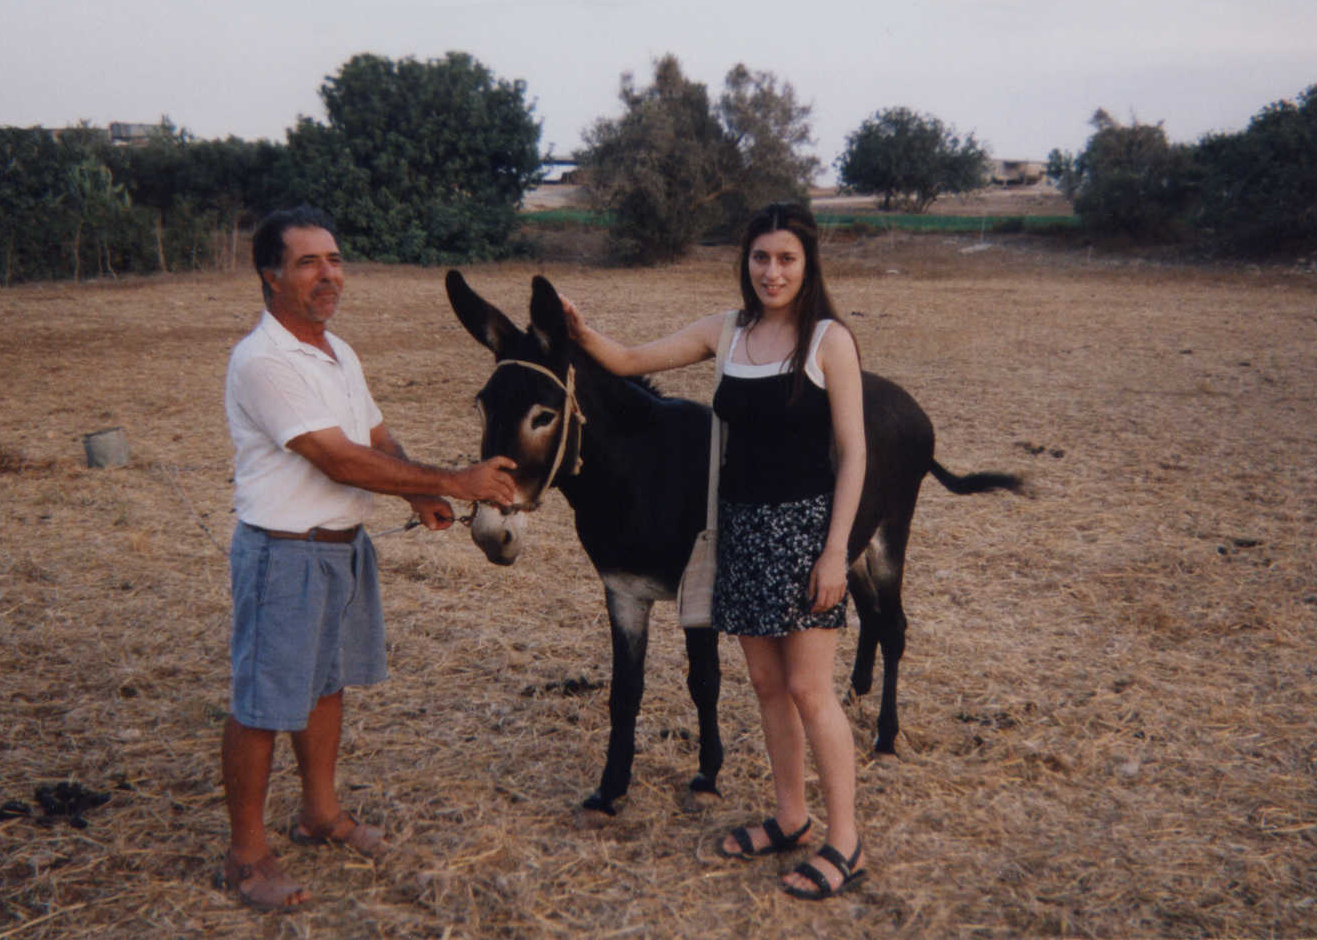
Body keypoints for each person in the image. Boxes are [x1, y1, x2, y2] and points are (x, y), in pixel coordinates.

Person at [559, 202, 868, 900]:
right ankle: (790, 817)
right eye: (760, 257)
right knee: (765, 685)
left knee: (809, 689)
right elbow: (630, 361)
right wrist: (579, 332)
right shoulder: (727, 332)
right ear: (745, 262)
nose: (772, 272)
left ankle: (845, 839)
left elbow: (853, 453)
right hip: (739, 531)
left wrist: (835, 553)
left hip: (805, 534)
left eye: (786, 259)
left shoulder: (829, 341)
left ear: (808, 264)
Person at [220, 206, 516, 911]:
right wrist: (454, 481)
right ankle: (246, 855)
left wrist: (417, 491)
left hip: (341, 549)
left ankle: (320, 814)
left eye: (334, 259)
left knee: (326, 684)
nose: (329, 275)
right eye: (308, 262)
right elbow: (336, 458)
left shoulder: (337, 351)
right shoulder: (263, 361)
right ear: (270, 277)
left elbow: (373, 437)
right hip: (284, 554)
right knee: (262, 705)